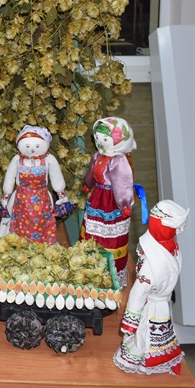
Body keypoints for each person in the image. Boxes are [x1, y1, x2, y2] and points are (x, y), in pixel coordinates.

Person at [113, 199, 189, 376]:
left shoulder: (153, 261)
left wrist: (130, 322)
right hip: (160, 302)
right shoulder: (173, 249)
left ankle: (144, 362)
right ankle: (159, 358)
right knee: (157, 334)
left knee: (144, 335)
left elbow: (138, 293)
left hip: (153, 304)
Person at [79, 116, 137, 287]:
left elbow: (123, 185)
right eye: (97, 138)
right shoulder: (98, 156)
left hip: (112, 201)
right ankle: (89, 266)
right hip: (98, 197)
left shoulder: (119, 161)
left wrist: (125, 204)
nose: (99, 141)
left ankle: (110, 273)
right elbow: (91, 172)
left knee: (111, 235)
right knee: (92, 231)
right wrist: (87, 184)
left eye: (104, 139)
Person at [0, 125, 71, 245]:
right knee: (20, 222)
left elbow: (56, 177)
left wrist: (61, 194)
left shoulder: (48, 159)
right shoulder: (17, 159)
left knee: (42, 222)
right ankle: (20, 244)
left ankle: (42, 244)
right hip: (21, 199)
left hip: (42, 199)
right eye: (27, 146)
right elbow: (10, 177)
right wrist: (6, 194)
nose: (32, 149)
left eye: (37, 146)